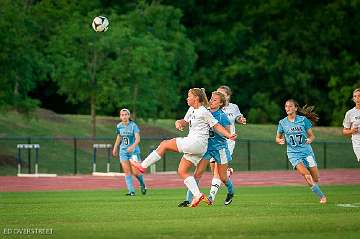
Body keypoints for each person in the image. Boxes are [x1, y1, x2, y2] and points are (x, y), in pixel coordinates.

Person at [131, 88, 237, 207]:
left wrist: (229, 135)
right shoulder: (194, 109)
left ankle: (142, 166)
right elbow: (185, 121)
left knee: (165, 144)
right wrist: (179, 122)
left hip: (201, 144)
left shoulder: (206, 112)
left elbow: (217, 126)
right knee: (182, 171)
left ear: (196, 98)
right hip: (203, 147)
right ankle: (197, 196)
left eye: (189, 96)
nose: (187, 98)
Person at [178, 91, 235, 207]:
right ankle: (188, 200)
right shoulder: (204, 111)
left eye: (215, 100)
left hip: (220, 148)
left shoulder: (222, 116)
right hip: (207, 148)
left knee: (223, 177)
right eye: (211, 99)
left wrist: (226, 134)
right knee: (197, 174)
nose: (211, 101)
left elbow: (227, 132)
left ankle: (230, 192)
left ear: (221, 103)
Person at [275, 99, 327, 204]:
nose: (287, 108)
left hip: (307, 152)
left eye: (290, 106)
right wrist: (279, 140)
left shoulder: (303, 120)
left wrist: (309, 140)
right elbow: (277, 138)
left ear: (295, 108)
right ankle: (322, 197)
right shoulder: (282, 122)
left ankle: (316, 187)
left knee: (316, 178)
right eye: (286, 106)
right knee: (306, 175)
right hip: (293, 154)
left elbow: (312, 136)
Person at [203, 85, 246, 203]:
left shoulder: (233, 107)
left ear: (227, 96)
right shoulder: (211, 107)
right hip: (212, 142)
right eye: (217, 93)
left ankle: (211, 197)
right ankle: (227, 177)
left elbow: (238, 117)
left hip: (227, 141)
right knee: (218, 174)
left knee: (217, 172)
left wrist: (241, 119)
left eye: (222, 94)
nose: (218, 95)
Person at [112, 108, 146, 196]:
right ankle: (131, 191)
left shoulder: (133, 125)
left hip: (133, 152)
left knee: (136, 173)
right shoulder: (119, 126)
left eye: (126, 114)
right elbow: (119, 137)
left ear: (129, 116)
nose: (124, 116)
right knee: (127, 172)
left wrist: (132, 146)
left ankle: (142, 184)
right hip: (123, 151)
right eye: (122, 115)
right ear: (120, 116)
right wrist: (115, 147)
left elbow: (138, 139)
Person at [342, 88, 360, 162]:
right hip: (357, 143)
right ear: (353, 99)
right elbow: (344, 131)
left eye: (359, 96)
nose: (357, 98)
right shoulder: (350, 113)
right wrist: (351, 131)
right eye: (355, 96)